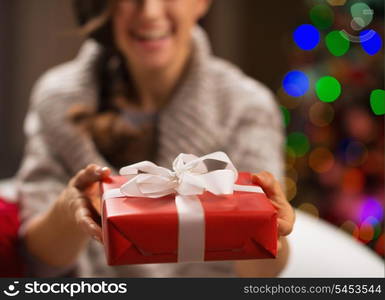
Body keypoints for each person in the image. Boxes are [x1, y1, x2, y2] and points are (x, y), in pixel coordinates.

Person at [16, 0, 295, 277]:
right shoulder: (55, 99)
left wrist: (271, 233)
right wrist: (69, 210)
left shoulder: (246, 105)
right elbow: (38, 262)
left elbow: (258, 275)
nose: (149, 12)